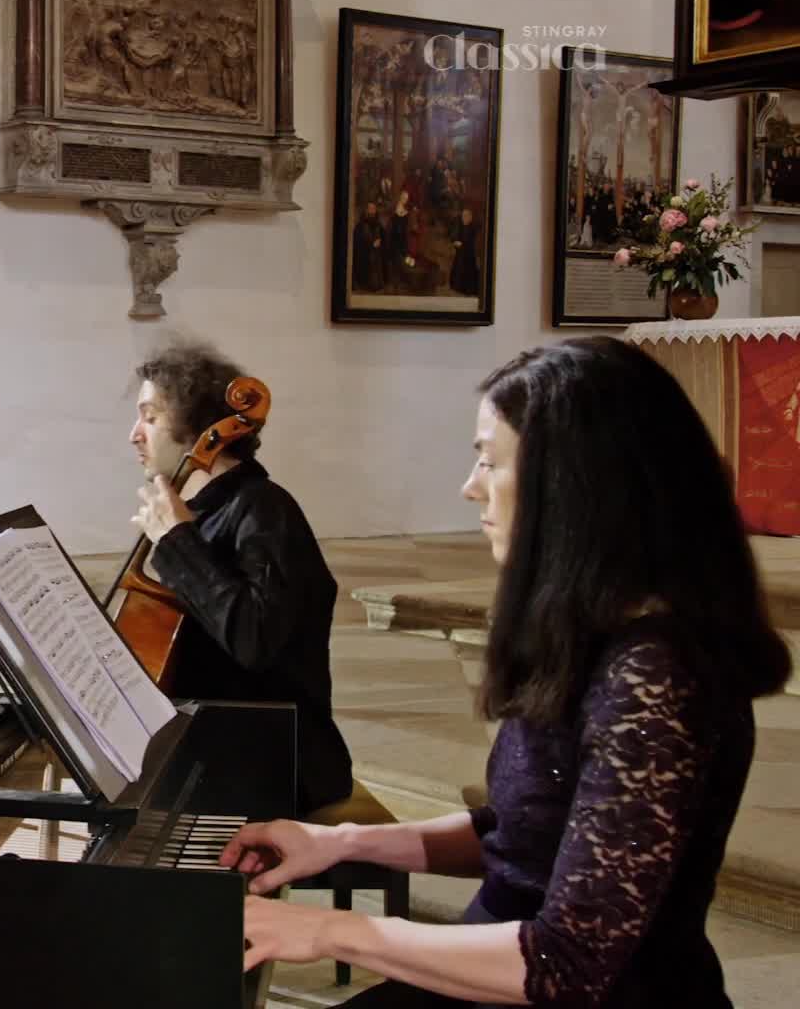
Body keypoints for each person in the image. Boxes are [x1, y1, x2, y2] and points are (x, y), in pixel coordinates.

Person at [221, 336, 791, 1007]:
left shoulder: (657, 679)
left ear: (573, 486)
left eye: (489, 462)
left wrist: (332, 931)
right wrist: (338, 841)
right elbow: (518, 835)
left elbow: (568, 964)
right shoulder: (593, 634)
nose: (470, 488)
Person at [128, 341, 354, 814]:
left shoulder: (266, 510)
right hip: (217, 742)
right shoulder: (198, 513)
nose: (134, 434)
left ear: (198, 428)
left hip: (280, 761)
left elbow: (254, 638)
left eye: (150, 417)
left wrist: (177, 543)